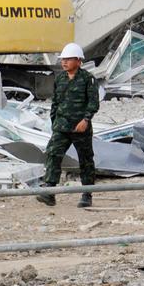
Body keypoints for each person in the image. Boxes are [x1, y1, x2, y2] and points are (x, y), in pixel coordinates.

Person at [37, 42, 100, 208]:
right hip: (61, 126)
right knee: (53, 154)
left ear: (78, 61)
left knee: (85, 160)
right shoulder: (60, 79)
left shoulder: (88, 79)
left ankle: (87, 194)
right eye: (63, 59)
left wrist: (86, 119)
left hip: (81, 127)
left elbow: (94, 102)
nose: (64, 62)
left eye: (68, 59)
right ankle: (49, 191)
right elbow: (55, 102)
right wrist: (54, 121)